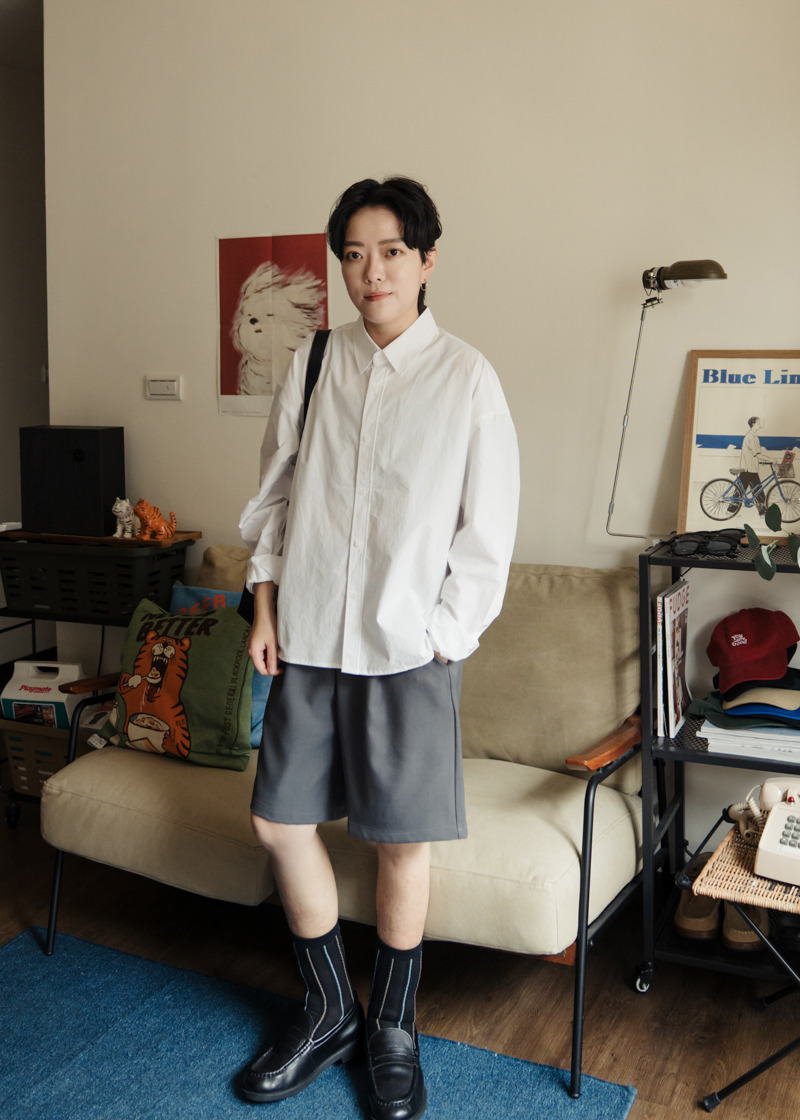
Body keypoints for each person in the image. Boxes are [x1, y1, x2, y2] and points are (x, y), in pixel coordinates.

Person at [238, 176, 519, 1120]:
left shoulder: (467, 378)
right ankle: (328, 1013)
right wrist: (265, 607)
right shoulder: (314, 362)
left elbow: (487, 535)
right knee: (279, 825)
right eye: (353, 255)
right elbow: (275, 498)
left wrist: (439, 637)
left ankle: (392, 1026)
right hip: (309, 637)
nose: (371, 273)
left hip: (408, 652)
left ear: (427, 259)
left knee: (401, 842)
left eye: (391, 252)